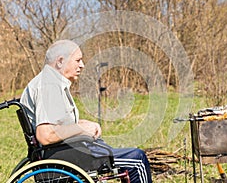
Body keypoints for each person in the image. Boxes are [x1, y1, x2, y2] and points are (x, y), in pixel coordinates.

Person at [20, 39, 152, 183]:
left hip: (66, 151)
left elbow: (59, 125)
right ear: (60, 61)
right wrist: (81, 128)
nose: (82, 65)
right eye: (78, 60)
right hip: (64, 156)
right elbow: (46, 135)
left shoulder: (51, 82)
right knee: (137, 159)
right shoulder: (49, 86)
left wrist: (84, 124)